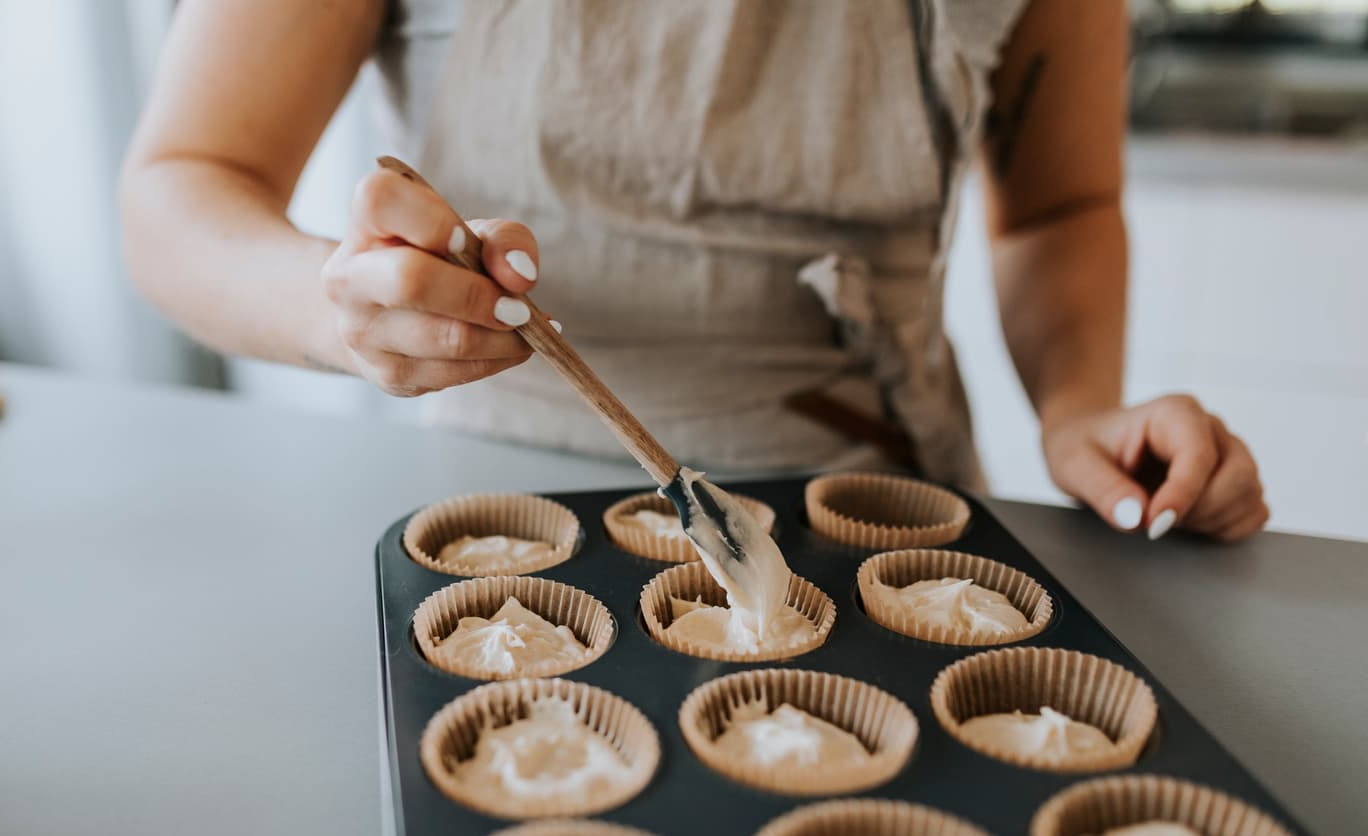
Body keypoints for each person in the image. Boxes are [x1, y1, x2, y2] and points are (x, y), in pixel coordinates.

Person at [120, 0, 1269, 542]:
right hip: (496, 522)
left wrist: (1077, 409)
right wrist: (344, 313)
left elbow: (1060, 206)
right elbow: (180, 186)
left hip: (885, 518)